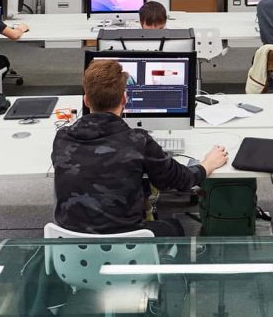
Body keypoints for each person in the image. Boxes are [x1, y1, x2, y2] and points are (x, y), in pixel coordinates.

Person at [52, 59, 228, 236]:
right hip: (125, 247)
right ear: (124, 99)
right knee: (175, 227)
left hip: (70, 247)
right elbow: (180, 180)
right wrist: (207, 165)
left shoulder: (62, 137)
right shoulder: (137, 141)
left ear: (86, 100)